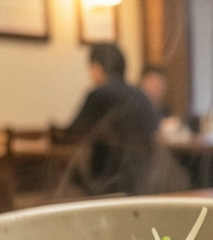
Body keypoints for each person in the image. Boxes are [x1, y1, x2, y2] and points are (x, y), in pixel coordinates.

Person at [64, 44, 162, 195]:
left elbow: (71, 134)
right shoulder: (141, 95)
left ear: (97, 68)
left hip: (104, 181)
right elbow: (156, 131)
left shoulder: (99, 94)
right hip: (142, 181)